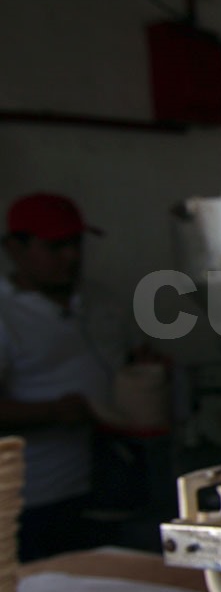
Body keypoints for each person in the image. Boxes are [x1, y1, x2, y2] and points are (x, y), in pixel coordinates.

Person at [0, 193, 131, 560]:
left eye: (76, 244)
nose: (71, 256)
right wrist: (55, 412)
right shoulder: (6, 315)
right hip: (35, 498)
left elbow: (120, 361)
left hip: (105, 486)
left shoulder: (101, 301)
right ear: (15, 249)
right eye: (56, 246)